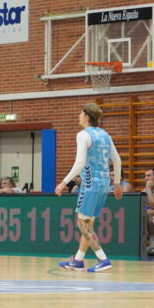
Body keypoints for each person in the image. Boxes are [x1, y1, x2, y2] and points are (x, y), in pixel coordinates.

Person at [55, 103, 122, 273]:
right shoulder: (105, 135)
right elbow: (118, 160)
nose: (78, 116)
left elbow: (79, 163)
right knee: (89, 223)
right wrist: (117, 183)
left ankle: (103, 259)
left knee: (83, 224)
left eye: (80, 113)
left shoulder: (83, 135)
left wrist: (63, 183)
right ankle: (78, 260)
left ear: (86, 116)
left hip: (90, 184)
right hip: (105, 183)